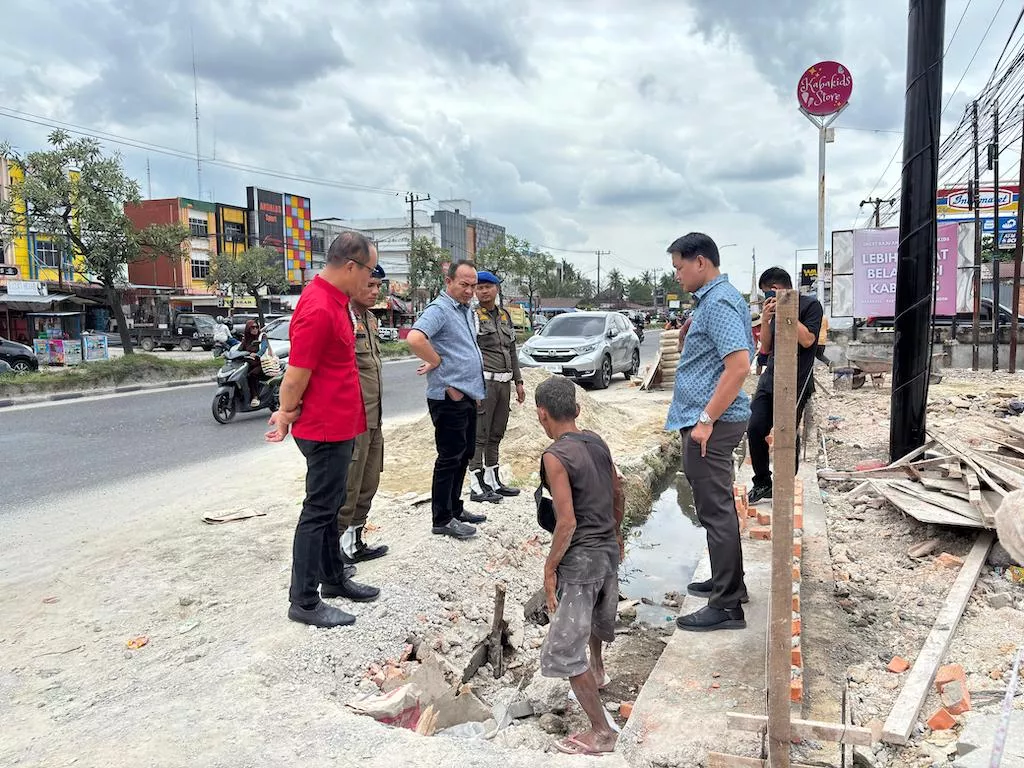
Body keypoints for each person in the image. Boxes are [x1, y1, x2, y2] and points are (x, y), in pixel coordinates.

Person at [266, 232, 381, 629]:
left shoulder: (337, 303)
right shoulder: (318, 308)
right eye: (368, 271)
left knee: (332, 506)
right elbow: (295, 376)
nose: (370, 280)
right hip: (325, 427)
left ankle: (333, 578)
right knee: (318, 511)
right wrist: (284, 413)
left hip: (341, 423)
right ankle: (304, 600)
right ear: (350, 266)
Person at [664, 233, 755, 632]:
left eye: (680, 268)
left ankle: (727, 605)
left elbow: (738, 366)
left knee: (715, 511)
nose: (678, 277)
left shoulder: (717, 302)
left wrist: (705, 419)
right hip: (714, 421)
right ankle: (728, 583)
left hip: (712, 425)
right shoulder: (717, 299)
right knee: (715, 508)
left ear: (700, 262)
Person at [535, 376, 624, 756]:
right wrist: (616, 533)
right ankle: (599, 670)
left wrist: (550, 567)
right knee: (595, 619)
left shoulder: (554, 456)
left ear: (542, 415)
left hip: (583, 559)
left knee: (564, 649)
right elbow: (618, 489)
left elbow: (566, 521)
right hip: (607, 552)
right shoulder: (596, 442)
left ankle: (602, 731)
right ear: (577, 410)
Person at [407, 260, 489, 540]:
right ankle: (442, 518)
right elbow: (416, 338)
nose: (469, 291)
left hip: (466, 394)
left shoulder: (465, 310)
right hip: (448, 396)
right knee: (449, 456)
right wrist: (437, 362)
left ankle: (455, 508)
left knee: (464, 453)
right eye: (464, 285)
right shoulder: (440, 309)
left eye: (473, 286)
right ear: (449, 283)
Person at [746, 268, 824, 506]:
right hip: (771, 378)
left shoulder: (811, 306)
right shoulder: (770, 309)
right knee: (755, 427)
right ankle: (762, 482)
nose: (767, 296)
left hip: (797, 381)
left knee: (786, 433)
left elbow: (808, 339)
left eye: (769, 291)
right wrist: (767, 320)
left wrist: (786, 311)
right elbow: (766, 347)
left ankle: (785, 483)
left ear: (778, 288)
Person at [338, 264, 390, 565]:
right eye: (369, 285)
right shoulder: (342, 318)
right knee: (349, 485)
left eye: (378, 287)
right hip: (353, 421)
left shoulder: (369, 320)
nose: (374, 292)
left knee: (369, 481)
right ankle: (337, 552)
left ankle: (356, 541)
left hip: (375, 418)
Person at [468, 269, 525, 503]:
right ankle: (476, 484)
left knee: (496, 433)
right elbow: (469, 351)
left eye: (487, 287)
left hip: (504, 383)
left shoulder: (504, 316)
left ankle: (493, 479)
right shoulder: (472, 316)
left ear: (496, 289)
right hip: (485, 383)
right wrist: (472, 386)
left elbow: (511, 350)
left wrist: (518, 382)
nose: (483, 291)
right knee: (479, 434)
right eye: (479, 288)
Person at [240, 319, 265, 407]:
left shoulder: (262, 337)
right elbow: (239, 349)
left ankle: (255, 396)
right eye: (252, 327)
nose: (255, 329)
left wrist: (257, 354)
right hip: (249, 363)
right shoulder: (246, 339)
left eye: (256, 327)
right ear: (248, 329)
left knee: (251, 375)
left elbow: (263, 348)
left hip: (261, 363)